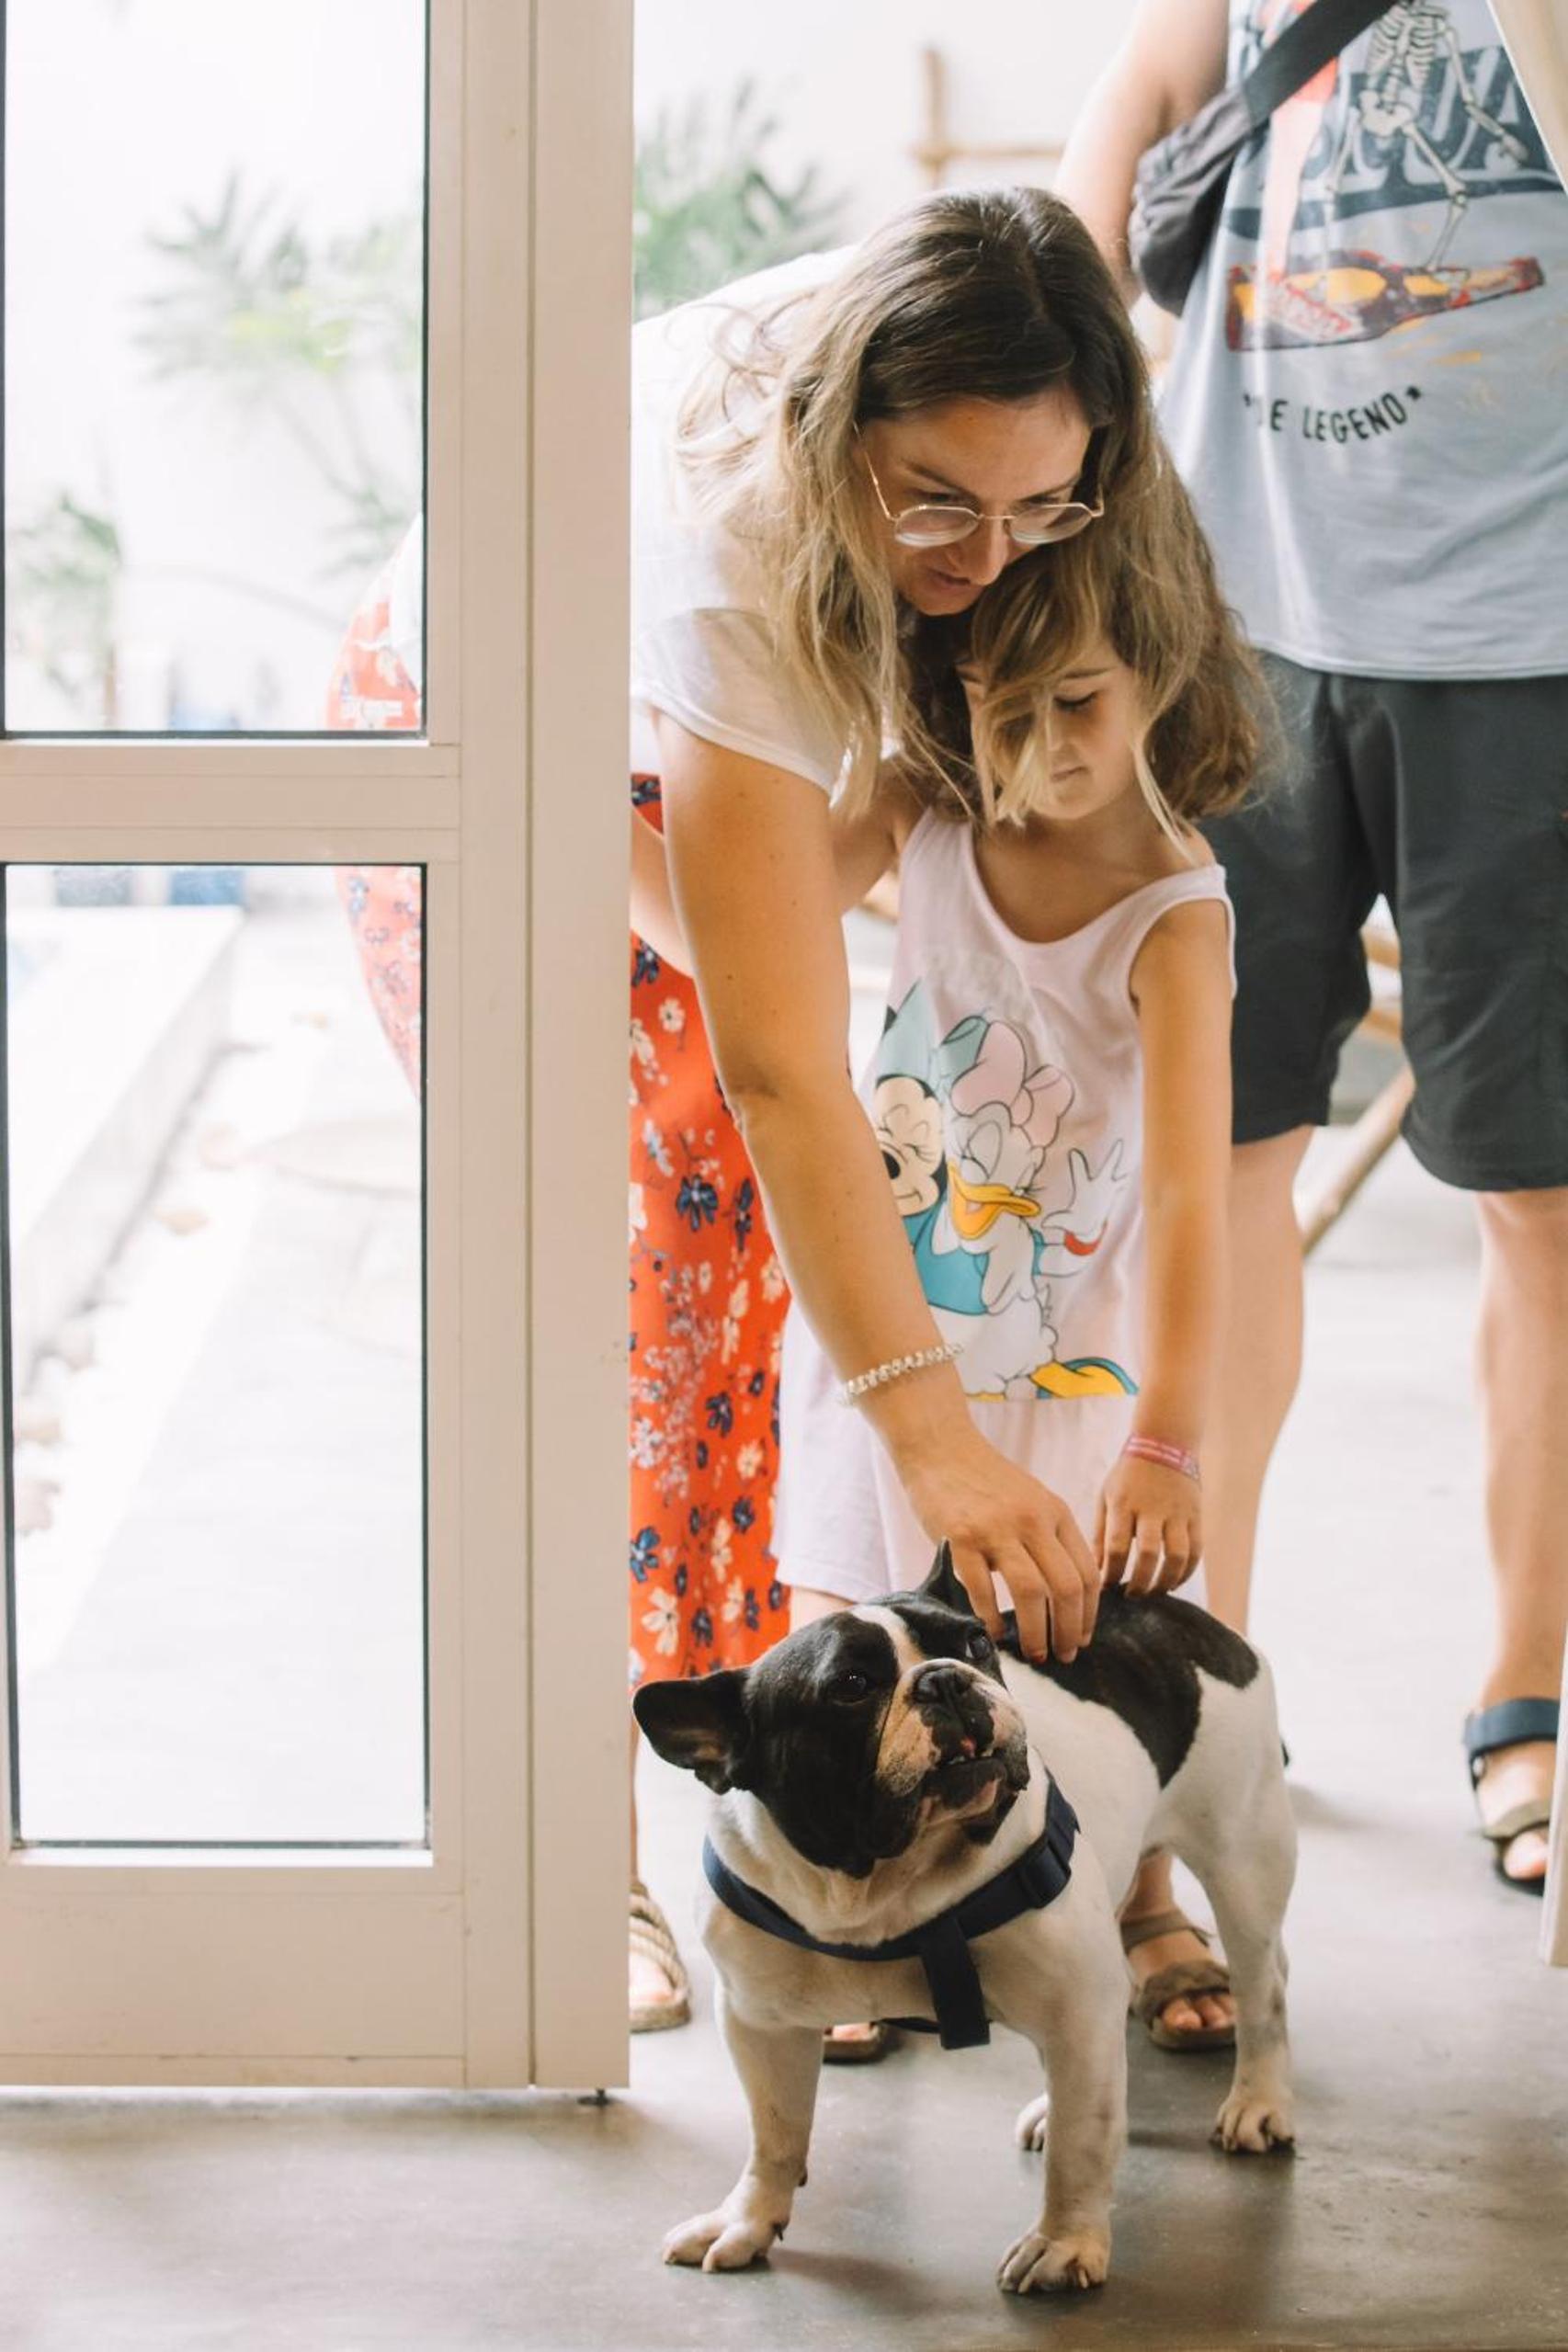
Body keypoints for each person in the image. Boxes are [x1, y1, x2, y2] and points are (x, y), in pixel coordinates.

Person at [627, 182, 1256, 2045]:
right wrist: (929, 1436)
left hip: (1044, 1317)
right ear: (845, 449)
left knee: (845, 1327)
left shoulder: (1034, 472)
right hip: (508, 735)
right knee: (686, 1324)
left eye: (1035, 510)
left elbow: (1184, 1195)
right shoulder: (741, 563)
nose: (989, 554)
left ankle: (1080, 1888)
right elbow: (771, 1045)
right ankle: (679, 1890)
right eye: (940, 508)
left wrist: (1144, 1435)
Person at [1057, 0, 1568, 1891]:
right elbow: (1143, 95)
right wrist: (1069, 369)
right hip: (1234, 622)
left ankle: (1529, 1694)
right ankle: (1201, 1696)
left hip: (1526, 645)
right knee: (1216, 1160)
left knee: (1537, 1195)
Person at [770, 468, 1264, 2056]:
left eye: (1077, 704)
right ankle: (856, 1920)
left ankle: (1141, 1899)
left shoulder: (1173, 913)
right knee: (850, 1629)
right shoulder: (923, 807)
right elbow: (747, 920)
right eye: (999, 709)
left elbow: (1189, 1202)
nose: (1039, 750)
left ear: (1155, 672)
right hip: (878, 1337)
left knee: (1070, 1657)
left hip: (1061, 1369)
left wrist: (1169, 1441)